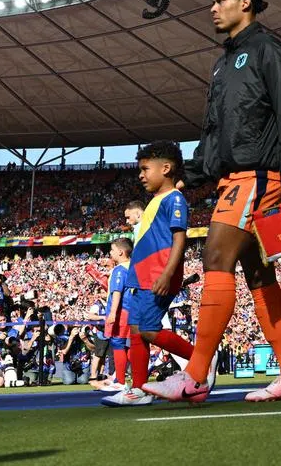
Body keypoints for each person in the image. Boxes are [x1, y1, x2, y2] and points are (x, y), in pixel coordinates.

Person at [147, 0, 281, 404]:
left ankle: (196, 376)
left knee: (217, 256)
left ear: (246, 4)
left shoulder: (267, 49)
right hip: (233, 176)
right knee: (258, 274)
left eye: (220, 0)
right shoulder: (223, 62)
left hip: (259, 176)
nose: (212, 8)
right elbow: (216, 130)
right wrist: (194, 175)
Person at [103, 142, 196, 406]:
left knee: (148, 331)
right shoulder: (156, 200)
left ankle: (200, 358)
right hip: (142, 277)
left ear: (166, 168)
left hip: (157, 276)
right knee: (136, 331)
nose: (141, 175)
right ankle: (139, 389)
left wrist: (168, 274)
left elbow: (180, 239)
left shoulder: (174, 199)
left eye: (145, 169)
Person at [97, 237, 133, 392]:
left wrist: (112, 313)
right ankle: (130, 377)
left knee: (118, 343)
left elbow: (117, 292)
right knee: (131, 344)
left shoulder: (119, 270)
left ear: (120, 252)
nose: (110, 253)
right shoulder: (134, 267)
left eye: (112, 250)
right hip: (132, 309)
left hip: (121, 312)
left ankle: (120, 379)